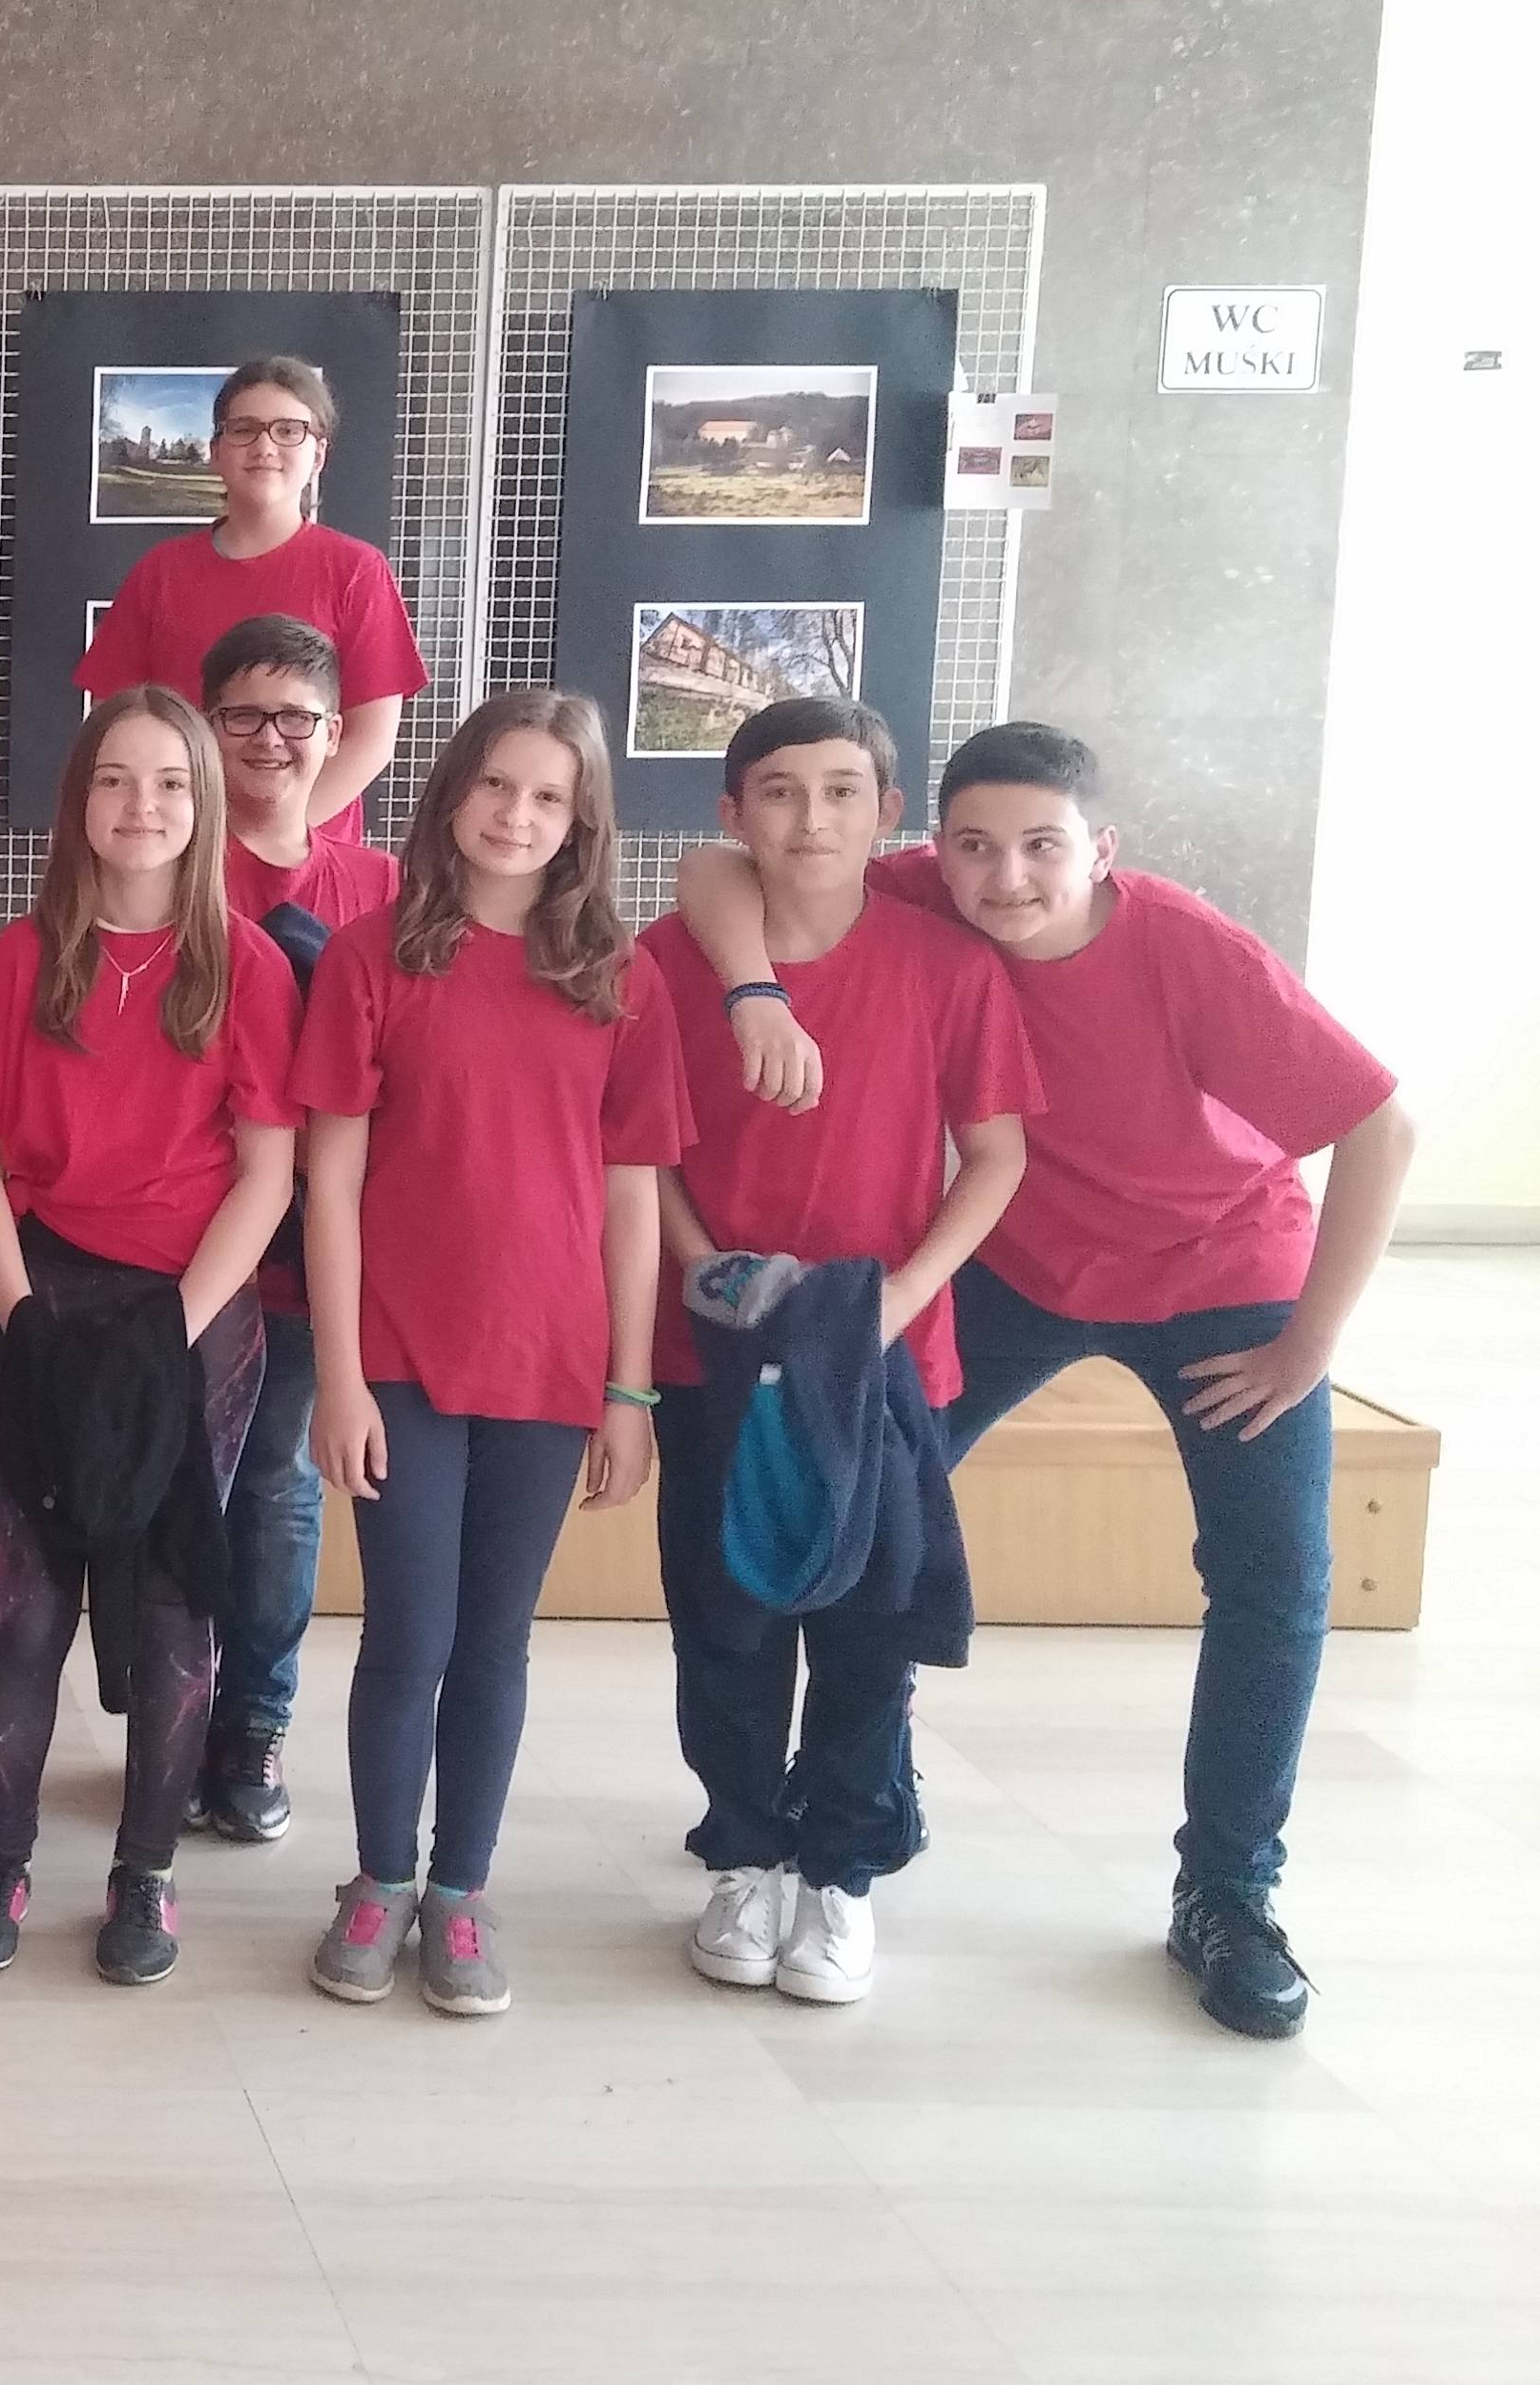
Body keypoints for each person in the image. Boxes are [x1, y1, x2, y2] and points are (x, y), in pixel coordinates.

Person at [678, 719, 1412, 2040]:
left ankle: (1228, 1889)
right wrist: (752, 989)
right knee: (869, 1508)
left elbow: (1382, 1126)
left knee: (1274, 1576)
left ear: (1101, 849)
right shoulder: (926, 890)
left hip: (1219, 1274)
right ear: (931, 842)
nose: (1005, 876)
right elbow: (714, 868)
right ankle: (860, 1799)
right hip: (1015, 1268)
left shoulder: (1190, 953)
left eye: (1040, 848)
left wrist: (1309, 1345)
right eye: (973, 846)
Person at [295, 690, 691, 2019]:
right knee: (407, 1631)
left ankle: (460, 1888)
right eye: (496, 785)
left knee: (494, 1640)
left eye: (548, 797)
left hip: (550, 1360)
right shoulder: (371, 958)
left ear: (582, 822)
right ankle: (378, 1879)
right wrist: (339, 1375)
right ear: (452, 792)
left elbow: (631, 1199)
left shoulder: (619, 979)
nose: (517, 816)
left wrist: (628, 1388)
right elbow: (329, 1182)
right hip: (401, 1356)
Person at [641, 696, 1035, 2004]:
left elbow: (994, 1157)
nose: (811, 818)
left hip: (878, 1358)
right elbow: (641, 1150)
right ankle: (743, 1854)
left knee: (871, 1626)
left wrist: (901, 1298)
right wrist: (702, 1266)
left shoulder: (947, 964)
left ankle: (841, 1873)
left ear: (888, 813)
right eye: (779, 791)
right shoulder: (668, 959)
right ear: (732, 812)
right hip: (717, 1351)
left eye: (841, 791)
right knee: (727, 1617)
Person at [0, 690, 300, 1986]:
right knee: (27, 1603)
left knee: (171, 1604)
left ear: (205, 804)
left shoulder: (247, 966)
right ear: (77, 798)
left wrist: (168, 1333)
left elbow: (267, 1172)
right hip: (47, 1304)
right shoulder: (23, 960)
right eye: (115, 780)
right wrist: (24, 1317)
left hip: (193, 1315)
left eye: (171, 784)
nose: (142, 807)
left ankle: (145, 1875)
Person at [185, 615, 404, 1846]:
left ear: (334, 736)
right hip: (180, 1236)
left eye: (296, 719)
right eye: (242, 716)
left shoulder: (378, 886)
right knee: (175, 1487)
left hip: (315, 1246)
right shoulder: (166, 859)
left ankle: (253, 1724)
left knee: (273, 1485)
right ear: (205, 726)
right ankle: (172, 1714)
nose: (269, 741)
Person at [77, 357, 427, 845]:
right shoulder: (160, 573)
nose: (264, 447)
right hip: (179, 850)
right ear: (215, 451)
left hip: (303, 857)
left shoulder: (356, 572)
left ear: (318, 454)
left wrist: (270, 842)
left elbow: (370, 740)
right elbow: (116, 724)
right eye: (244, 430)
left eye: (288, 430)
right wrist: (193, 842)